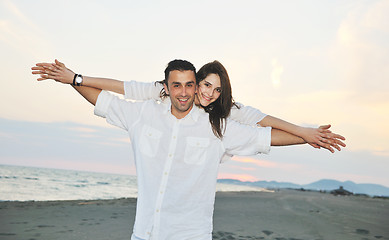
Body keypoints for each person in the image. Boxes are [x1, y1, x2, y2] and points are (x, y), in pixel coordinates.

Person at [32, 59, 336, 240]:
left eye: (191, 85)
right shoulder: (144, 114)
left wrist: (306, 135)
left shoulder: (219, 126)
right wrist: (73, 79)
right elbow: (105, 98)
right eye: (178, 85)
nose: (188, 91)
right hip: (145, 233)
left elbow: (266, 134)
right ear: (166, 86)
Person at [32, 59, 346, 152]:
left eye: (217, 89)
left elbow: (263, 122)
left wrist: (306, 134)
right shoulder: (166, 92)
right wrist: (76, 77)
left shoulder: (228, 113)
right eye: (206, 85)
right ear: (195, 83)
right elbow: (121, 89)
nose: (209, 93)